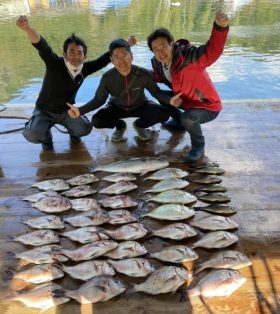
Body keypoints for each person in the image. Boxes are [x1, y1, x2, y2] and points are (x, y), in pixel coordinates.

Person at [16, 15, 136, 150]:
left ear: (85, 57)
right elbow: (42, 46)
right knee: (33, 135)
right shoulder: (54, 63)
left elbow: (105, 59)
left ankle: (73, 134)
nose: (75, 56)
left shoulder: (84, 69)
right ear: (65, 54)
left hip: (68, 111)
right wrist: (27, 29)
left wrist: (127, 44)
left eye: (80, 53)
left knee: (84, 128)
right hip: (44, 110)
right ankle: (46, 137)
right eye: (71, 52)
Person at [147, 11, 229, 162]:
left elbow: (212, 51)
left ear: (172, 44)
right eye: (155, 49)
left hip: (207, 105)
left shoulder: (190, 57)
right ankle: (179, 123)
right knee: (163, 97)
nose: (160, 52)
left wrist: (220, 28)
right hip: (185, 100)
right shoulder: (159, 64)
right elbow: (155, 78)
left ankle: (198, 147)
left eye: (163, 46)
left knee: (188, 117)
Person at [67, 39, 182, 142]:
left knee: (164, 114)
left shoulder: (143, 73)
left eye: (125, 55)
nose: (121, 61)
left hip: (141, 105)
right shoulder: (107, 77)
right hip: (117, 107)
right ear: (112, 60)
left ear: (131, 56)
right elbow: (98, 100)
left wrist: (170, 100)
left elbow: (156, 92)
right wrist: (80, 111)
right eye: (117, 57)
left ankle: (140, 125)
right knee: (97, 121)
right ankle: (120, 126)